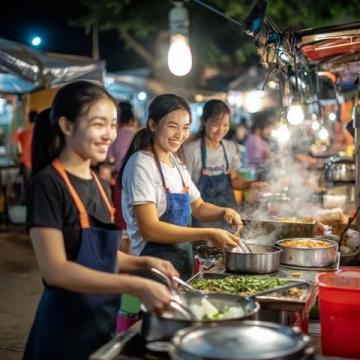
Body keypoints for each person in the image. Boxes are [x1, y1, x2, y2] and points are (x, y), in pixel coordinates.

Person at [23, 81, 177, 360]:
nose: (109, 135)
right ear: (67, 126)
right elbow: (55, 270)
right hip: (63, 331)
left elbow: (100, 256)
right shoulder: (47, 184)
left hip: (99, 322)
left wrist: (144, 263)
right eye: (98, 124)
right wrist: (136, 285)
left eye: (113, 124)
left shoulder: (97, 181)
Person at [119, 94, 243, 280]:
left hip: (182, 264)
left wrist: (224, 211)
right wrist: (208, 232)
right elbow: (150, 229)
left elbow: (199, 207)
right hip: (153, 268)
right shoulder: (141, 164)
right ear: (152, 125)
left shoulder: (176, 162)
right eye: (172, 126)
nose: (180, 135)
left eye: (185, 127)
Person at [184, 100, 266, 214]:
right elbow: (185, 189)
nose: (221, 130)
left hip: (228, 215)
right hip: (201, 218)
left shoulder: (230, 148)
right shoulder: (191, 151)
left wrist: (251, 184)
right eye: (215, 125)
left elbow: (233, 181)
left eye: (225, 125)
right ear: (204, 121)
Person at [15, 110, 38, 201]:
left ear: (29, 119)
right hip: (37, 162)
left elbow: (17, 142)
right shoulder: (40, 132)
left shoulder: (24, 132)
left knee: (27, 185)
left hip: (26, 162)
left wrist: (20, 152)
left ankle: (26, 201)